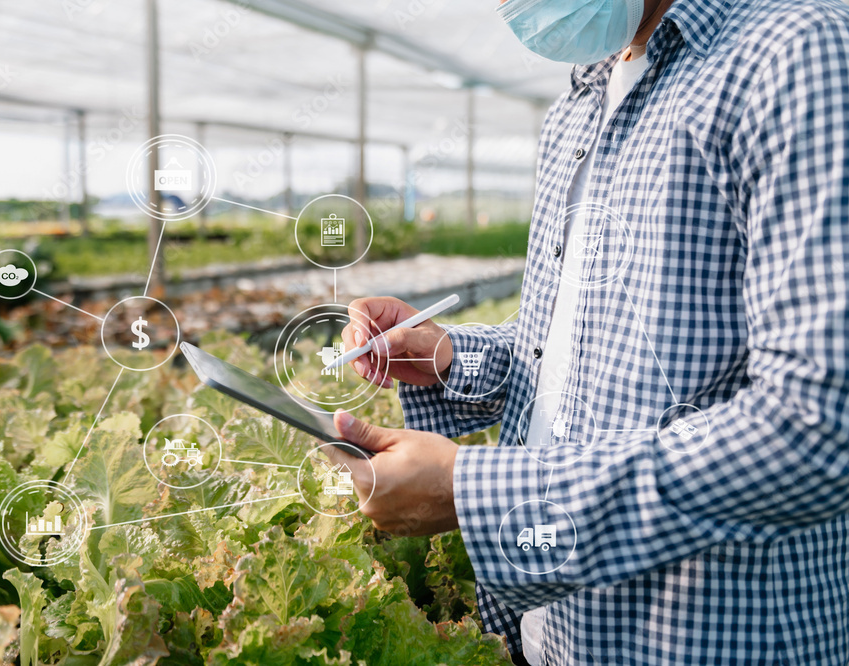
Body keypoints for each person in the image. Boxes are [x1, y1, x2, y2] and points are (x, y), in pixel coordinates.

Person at [325, 0, 849, 663]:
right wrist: (452, 355)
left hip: (702, 638)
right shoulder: (583, 100)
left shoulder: (795, 58)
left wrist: (472, 491)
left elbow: (815, 426)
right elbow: (579, 349)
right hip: (558, 633)